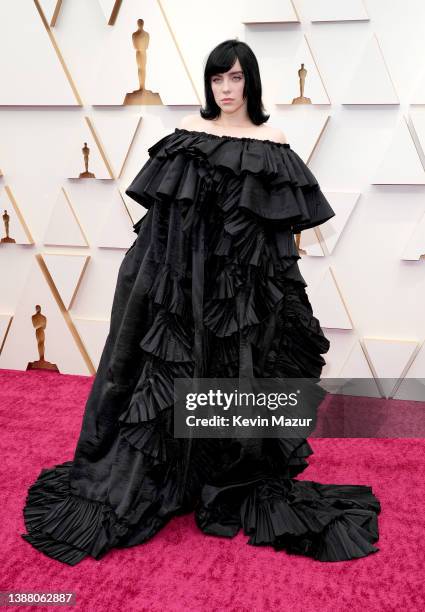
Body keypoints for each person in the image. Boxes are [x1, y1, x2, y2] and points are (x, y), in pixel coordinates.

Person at [21, 39, 381, 565]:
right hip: (183, 285)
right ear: (208, 83)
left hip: (235, 293)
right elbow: (163, 228)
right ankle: (167, 473)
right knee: (164, 379)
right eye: (218, 79)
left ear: (251, 81)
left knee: (235, 376)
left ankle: (218, 470)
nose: (227, 89)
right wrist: (150, 289)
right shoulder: (188, 136)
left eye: (236, 78)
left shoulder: (273, 142)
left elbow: (277, 237)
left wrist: (269, 296)